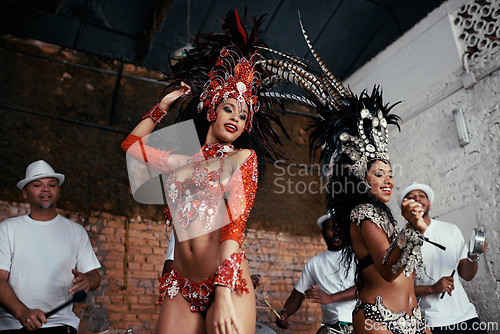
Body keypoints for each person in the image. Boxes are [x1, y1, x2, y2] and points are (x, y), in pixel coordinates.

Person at [122, 9, 293, 334]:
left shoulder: (243, 159)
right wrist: (164, 105)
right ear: (212, 109)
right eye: (229, 108)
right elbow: (131, 146)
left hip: (224, 280)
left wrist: (224, 295)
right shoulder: (182, 160)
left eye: (243, 116)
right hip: (181, 282)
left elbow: (234, 228)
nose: (235, 118)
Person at [261, 19, 431, 334]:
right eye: (379, 173)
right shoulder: (363, 214)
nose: (389, 179)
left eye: (390, 173)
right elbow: (389, 270)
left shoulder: (382, 216)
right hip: (380, 322)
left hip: (415, 321)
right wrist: (414, 228)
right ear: (360, 176)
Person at [0, 160, 101, 333]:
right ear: (25, 192)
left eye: (51, 185)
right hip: (14, 325)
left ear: (58, 191)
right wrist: (22, 312)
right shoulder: (8, 229)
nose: (46, 189)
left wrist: (88, 280)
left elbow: (95, 277)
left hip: (60, 326)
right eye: (38, 185)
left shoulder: (76, 231)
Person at [398, 182, 488, 334]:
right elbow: (400, 290)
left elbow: (466, 275)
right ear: (405, 207)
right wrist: (432, 289)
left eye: (422, 196)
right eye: (411, 198)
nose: (418, 199)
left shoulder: (450, 229)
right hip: (433, 323)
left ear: (429, 203)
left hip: (467, 317)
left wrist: (473, 255)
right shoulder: (401, 241)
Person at [275, 211, 356, 334]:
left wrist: (330, 298)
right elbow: (298, 295)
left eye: (341, 228)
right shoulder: (315, 263)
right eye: (331, 228)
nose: (337, 232)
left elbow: (366, 287)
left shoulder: (356, 255)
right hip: (332, 327)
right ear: (322, 232)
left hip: (358, 324)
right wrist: (284, 314)